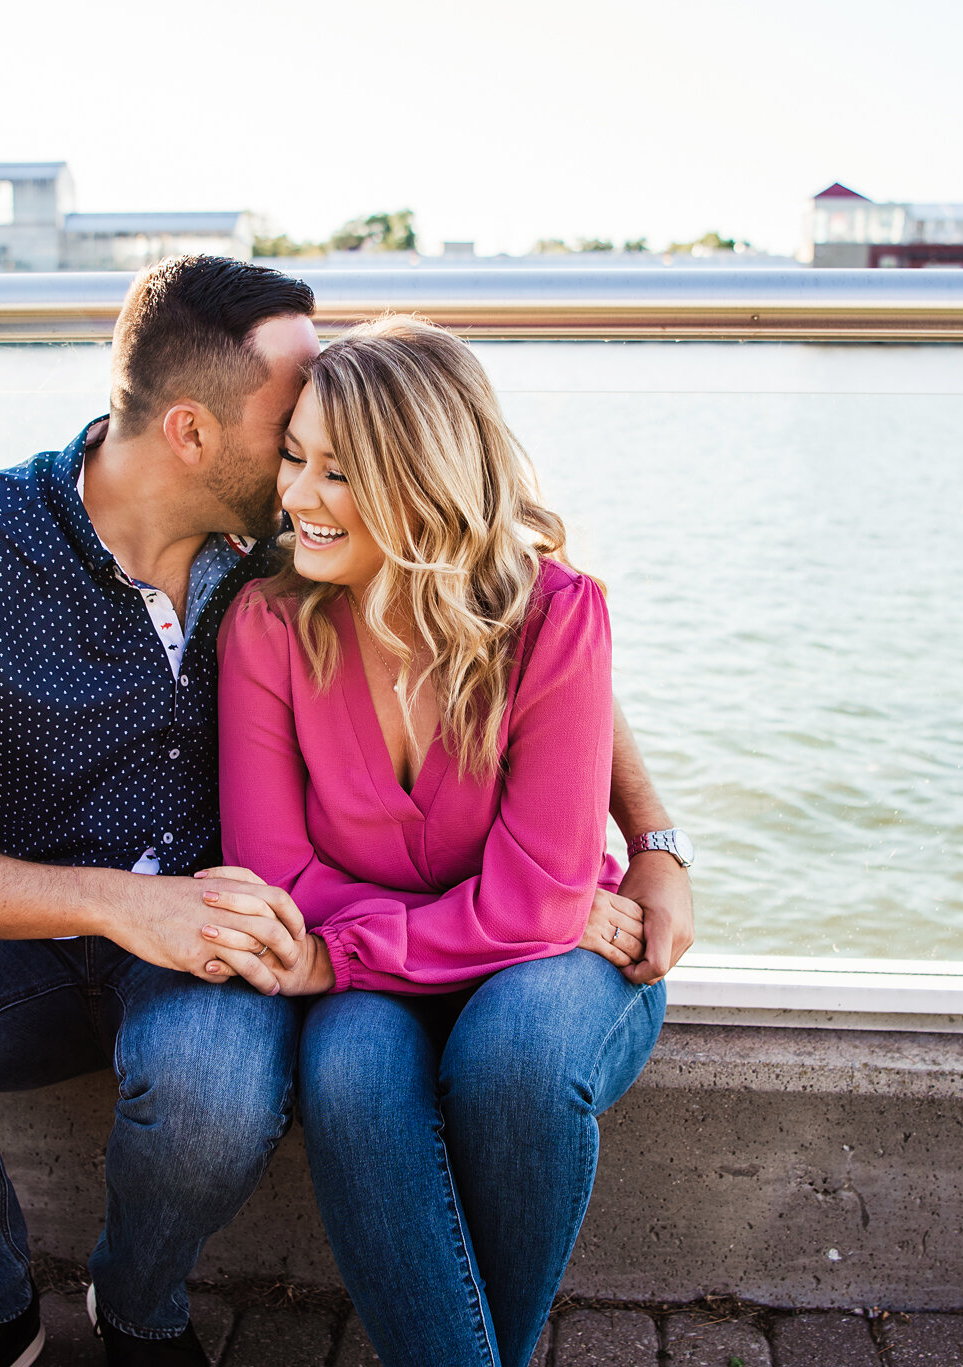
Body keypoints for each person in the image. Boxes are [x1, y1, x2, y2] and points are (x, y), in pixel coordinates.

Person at [0, 258, 694, 1367]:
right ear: (192, 434)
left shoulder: (297, 531)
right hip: (48, 923)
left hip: (229, 943)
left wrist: (648, 840)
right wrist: (126, 904)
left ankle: (140, 1307)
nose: (310, 445)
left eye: (333, 441)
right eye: (290, 423)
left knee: (239, 1082)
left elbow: (509, 620)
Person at [205, 316, 685, 1366]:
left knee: (513, 1057)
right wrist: (393, 943)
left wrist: (345, 949)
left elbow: (540, 905)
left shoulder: (558, 616)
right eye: (295, 458)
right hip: (387, 973)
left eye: (338, 471)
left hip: (559, 968)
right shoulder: (267, 628)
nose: (295, 496)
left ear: (419, 482)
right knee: (345, 1075)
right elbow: (278, 876)